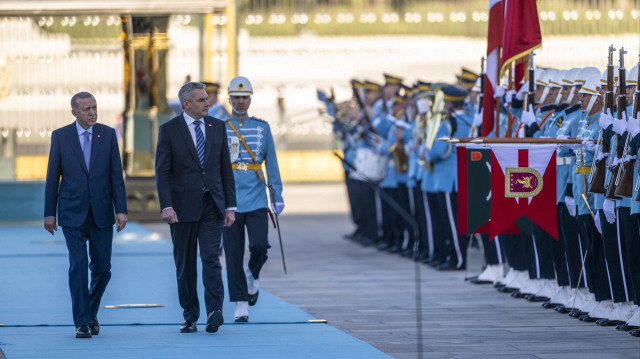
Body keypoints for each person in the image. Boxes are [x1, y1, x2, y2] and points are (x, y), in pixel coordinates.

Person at [44, 92, 128, 338]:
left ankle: (90, 310)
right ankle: (82, 321)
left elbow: (116, 175)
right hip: (71, 213)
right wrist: (50, 212)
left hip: (102, 212)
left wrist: (121, 209)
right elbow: (52, 177)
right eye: (86, 109)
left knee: (103, 269)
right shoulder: (60, 137)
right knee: (78, 266)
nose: (93, 112)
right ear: (74, 113)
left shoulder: (108, 134)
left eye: (94, 107)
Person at [155, 81, 237, 334]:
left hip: (212, 205)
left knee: (211, 259)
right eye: (201, 100)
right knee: (185, 264)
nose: (208, 103)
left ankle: (215, 311)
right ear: (186, 104)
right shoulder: (169, 130)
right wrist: (166, 205)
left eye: (207, 99)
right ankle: (189, 315)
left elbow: (225, 168)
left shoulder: (217, 127)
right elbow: (163, 172)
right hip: (181, 208)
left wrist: (230, 206)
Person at [222, 76, 284, 323]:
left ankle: (252, 274)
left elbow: (272, 164)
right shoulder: (221, 126)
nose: (240, 101)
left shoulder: (262, 127)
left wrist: (276, 195)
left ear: (250, 99)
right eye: (236, 97)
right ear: (230, 99)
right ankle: (240, 302)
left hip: (257, 196)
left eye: (244, 97)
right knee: (233, 252)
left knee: (259, 245)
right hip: (230, 199)